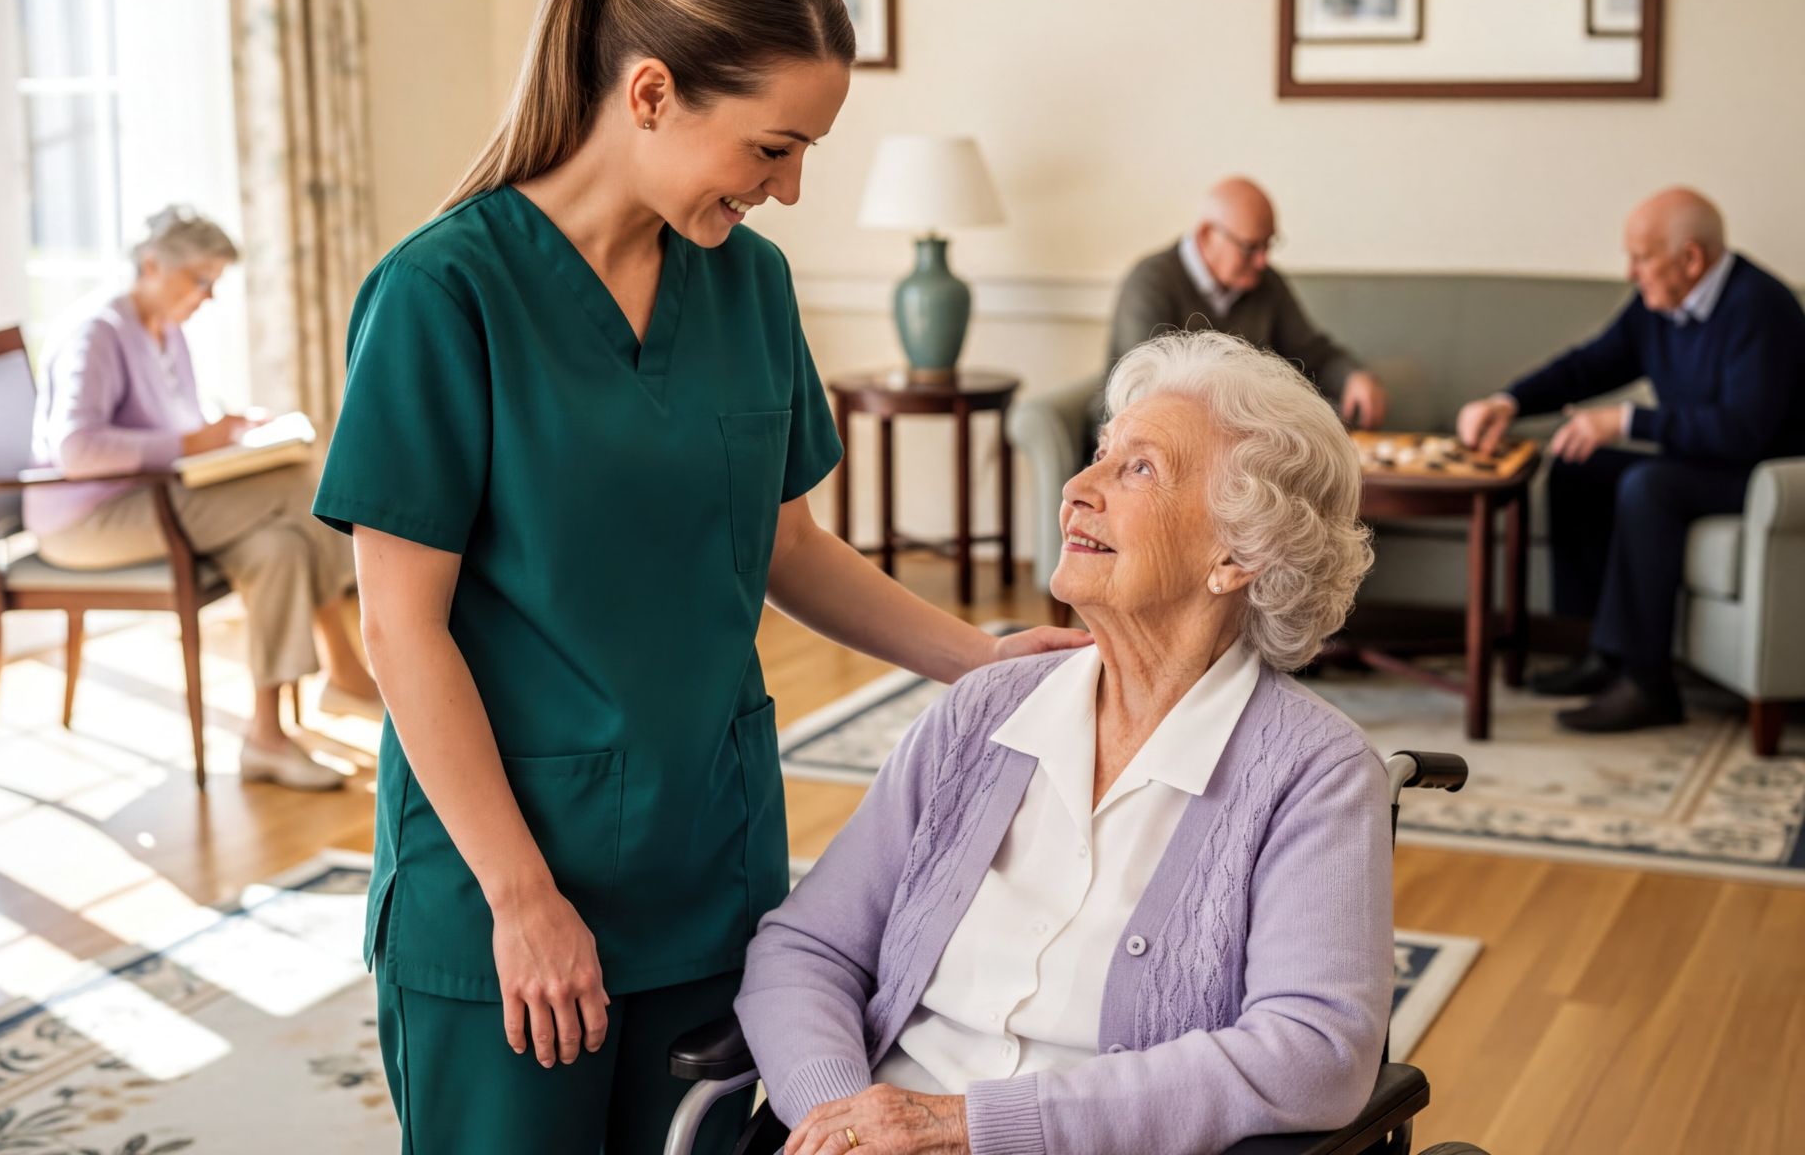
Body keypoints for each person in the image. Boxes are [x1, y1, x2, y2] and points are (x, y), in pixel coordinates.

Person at [311, 0, 1087, 1154]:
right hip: (505, 887)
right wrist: (523, 900)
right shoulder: (442, 294)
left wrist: (981, 662)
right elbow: (400, 630)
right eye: (773, 146)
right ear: (655, 93)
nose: (785, 187)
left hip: (706, 871)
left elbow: (787, 546)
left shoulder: (750, 284)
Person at [737, 331, 1392, 1155]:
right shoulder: (982, 714)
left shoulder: (1313, 772)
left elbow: (1316, 1052)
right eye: (1098, 457)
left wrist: (968, 1129)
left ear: (1237, 554)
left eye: (1139, 469)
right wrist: (843, 1121)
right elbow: (806, 947)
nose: (1078, 490)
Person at [28, 206, 374, 791]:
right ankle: (343, 664)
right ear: (152, 264)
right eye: (201, 280)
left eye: (215, 282)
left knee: (279, 545)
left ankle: (266, 739)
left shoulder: (167, 334)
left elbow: (182, 428)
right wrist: (198, 440)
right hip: (88, 520)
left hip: (160, 504)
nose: (208, 296)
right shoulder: (98, 332)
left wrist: (234, 431)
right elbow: (78, 450)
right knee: (297, 485)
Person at [1457, 187, 1805, 732]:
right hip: (1704, 462)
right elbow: (1591, 365)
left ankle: (1649, 685)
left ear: (1690, 259)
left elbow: (1744, 432)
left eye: (1641, 257)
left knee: (1650, 486)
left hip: (1766, 478)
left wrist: (1626, 420)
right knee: (1575, 465)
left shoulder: (1762, 308)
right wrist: (1510, 402)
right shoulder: (1662, 304)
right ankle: (1602, 651)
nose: (1630, 271)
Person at [1107, 177, 1388, 428]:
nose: (1262, 260)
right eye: (1250, 247)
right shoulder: (1150, 283)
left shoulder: (1267, 283)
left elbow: (1313, 353)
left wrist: (1353, 377)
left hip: (1236, 441)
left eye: (1268, 245)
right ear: (1207, 235)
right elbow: (1149, 389)